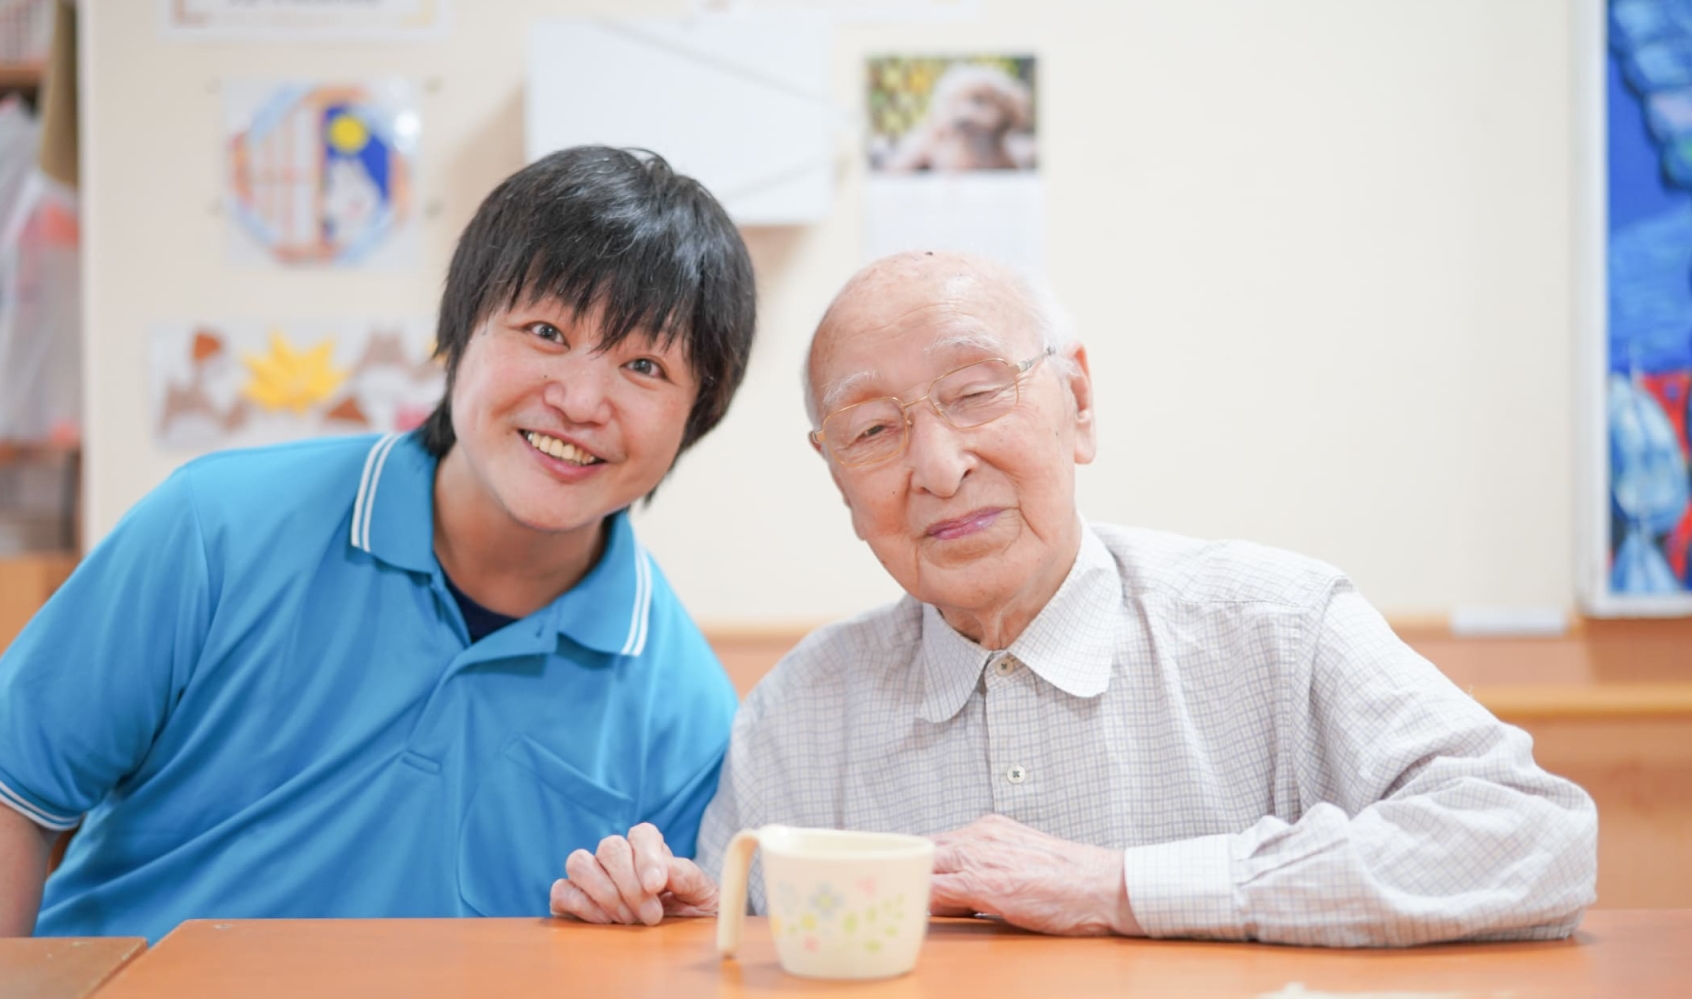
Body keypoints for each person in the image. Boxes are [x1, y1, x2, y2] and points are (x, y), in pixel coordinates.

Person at [548, 250, 1597, 947]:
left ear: (1078, 403)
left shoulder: (1275, 623)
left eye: (974, 393)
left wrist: (1120, 886)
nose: (938, 466)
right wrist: (675, 921)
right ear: (838, 481)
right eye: (872, 430)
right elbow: (749, 941)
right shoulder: (804, 706)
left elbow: (1532, 836)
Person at [0, 146, 757, 942]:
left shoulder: (687, 710)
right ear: (457, 333)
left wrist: (650, 932)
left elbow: (664, 947)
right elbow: (8, 802)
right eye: (545, 332)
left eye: (645, 367)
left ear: (697, 417)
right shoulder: (215, 528)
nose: (579, 399)